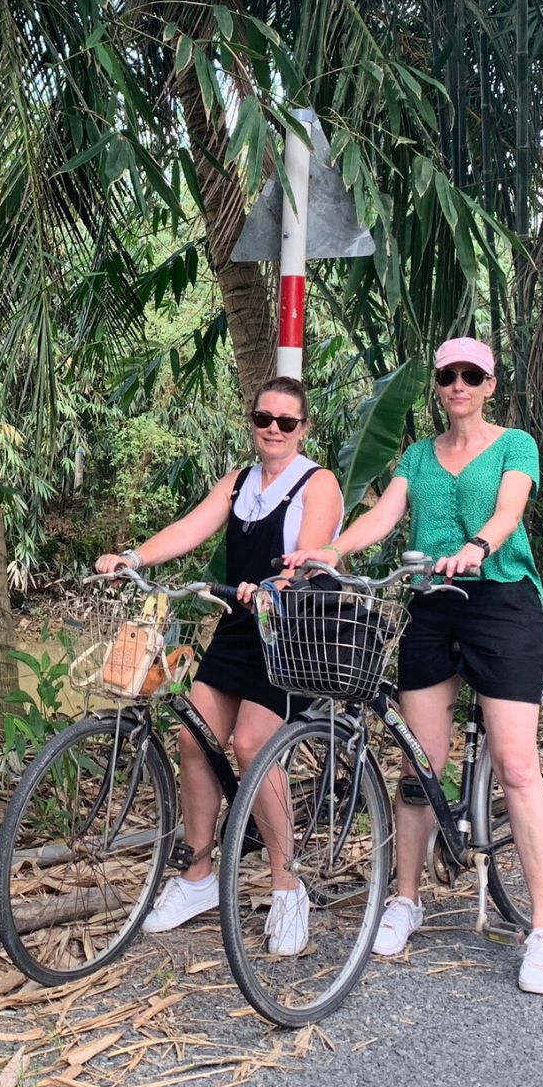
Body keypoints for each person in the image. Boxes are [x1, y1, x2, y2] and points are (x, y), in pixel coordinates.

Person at [282, 336, 543, 994]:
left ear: (489, 384)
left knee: (518, 764)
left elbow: (509, 509)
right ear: (437, 385)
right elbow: (382, 517)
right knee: (417, 762)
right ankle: (405, 898)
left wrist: (476, 546)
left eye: (472, 375)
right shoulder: (416, 455)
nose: (459, 384)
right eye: (448, 375)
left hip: (501, 601)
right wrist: (325, 551)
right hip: (430, 605)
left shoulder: (514, 444)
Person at [95, 376, 342, 956]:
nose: (273, 430)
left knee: (255, 745)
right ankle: (198, 875)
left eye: (286, 422)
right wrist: (133, 556)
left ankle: (287, 885)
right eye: (264, 419)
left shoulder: (319, 482)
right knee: (194, 734)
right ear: (252, 422)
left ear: (303, 428)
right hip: (239, 623)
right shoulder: (237, 483)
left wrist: (280, 583)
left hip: (292, 630)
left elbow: (310, 552)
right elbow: (191, 527)